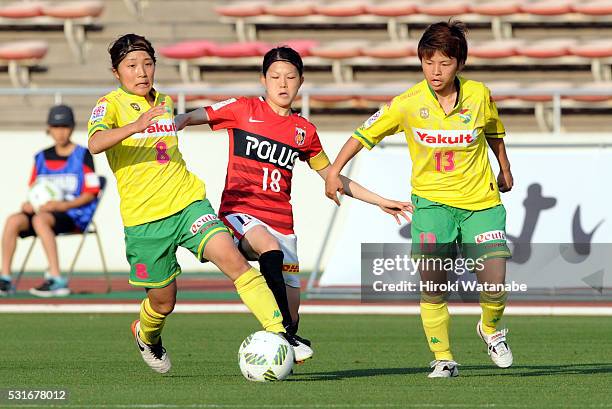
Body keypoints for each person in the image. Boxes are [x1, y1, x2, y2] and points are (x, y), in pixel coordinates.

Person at [174, 46, 413, 363]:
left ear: (301, 81)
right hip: (240, 212)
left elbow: (330, 175)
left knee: (292, 311)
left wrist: (380, 201)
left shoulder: (304, 132)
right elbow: (194, 115)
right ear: (263, 80)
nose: (282, 83)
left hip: (282, 221)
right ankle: (284, 334)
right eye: (275, 77)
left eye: (290, 77)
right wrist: (173, 122)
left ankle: (281, 352)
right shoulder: (242, 109)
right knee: (268, 249)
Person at [87, 34, 290, 374]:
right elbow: (94, 143)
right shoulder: (110, 105)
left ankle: (281, 335)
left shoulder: (163, 101)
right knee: (164, 301)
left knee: (234, 261)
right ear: (116, 71)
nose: (141, 72)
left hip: (188, 203)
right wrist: (135, 126)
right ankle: (146, 335)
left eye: (148, 64)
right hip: (145, 221)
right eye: (132, 66)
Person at [325, 21, 514, 378]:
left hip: (481, 203)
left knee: (494, 281)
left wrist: (504, 168)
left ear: (459, 63)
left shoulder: (480, 95)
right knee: (433, 284)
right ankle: (443, 358)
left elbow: (494, 130)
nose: (435, 71)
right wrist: (335, 170)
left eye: (443, 63)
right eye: (427, 62)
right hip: (431, 206)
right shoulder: (407, 104)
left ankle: (490, 330)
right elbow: (362, 134)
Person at [0, 104, 100, 297]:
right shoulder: (41, 157)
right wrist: (29, 204)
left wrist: (63, 205)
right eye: (55, 127)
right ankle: (5, 279)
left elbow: (91, 192)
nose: (60, 132)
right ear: (49, 129)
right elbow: (34, 189)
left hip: (73, 215)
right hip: (44, 213)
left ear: (72, 127)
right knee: (14, 220)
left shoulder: (83, 155)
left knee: (41, 219)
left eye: (64, 126)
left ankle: (56, 278)